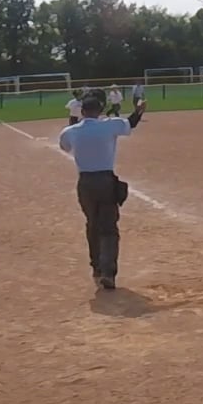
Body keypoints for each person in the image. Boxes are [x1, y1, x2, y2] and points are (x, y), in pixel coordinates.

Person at [57, 94, 147, 291]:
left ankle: (96, 267)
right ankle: (108, 272)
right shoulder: (110, 125)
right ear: (100, 111)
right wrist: (139, 111)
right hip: (105, 181)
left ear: (82, 111)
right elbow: (130, 123)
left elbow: (65, 147)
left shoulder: (70, 131)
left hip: (85, 183)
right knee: (109, 228)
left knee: (92, 224)